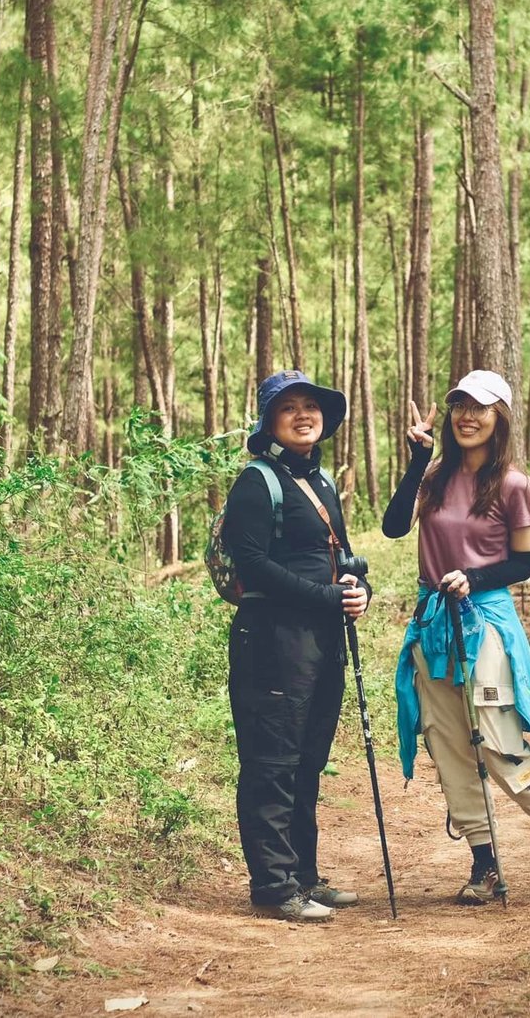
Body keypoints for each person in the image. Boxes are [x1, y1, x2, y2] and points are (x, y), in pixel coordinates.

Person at [383, 369, 530, 903]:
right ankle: (483, 864)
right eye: (460, 405)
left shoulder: (514, 484)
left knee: (496, 740)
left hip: (484, 622)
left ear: (499, 418)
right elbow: (394, 526)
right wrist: (417, 460)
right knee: (447, 744)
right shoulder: (436, 474)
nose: (468, 416)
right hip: (433, 622)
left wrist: (475, 576)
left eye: (481, 407)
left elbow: (524, 563)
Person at [223, 369, 371, 921]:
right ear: (270, 422)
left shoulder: (321, 482)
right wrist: (324, 596)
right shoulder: (256, 483)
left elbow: (343, 557)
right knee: (273, 762)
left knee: (308, 761)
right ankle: (274, 886)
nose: (304, 415)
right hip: (272, 643)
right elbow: (253, 564)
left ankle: (304, 877)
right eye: (289, 408)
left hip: (321, 640)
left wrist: (358, 591)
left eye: (311, 406)